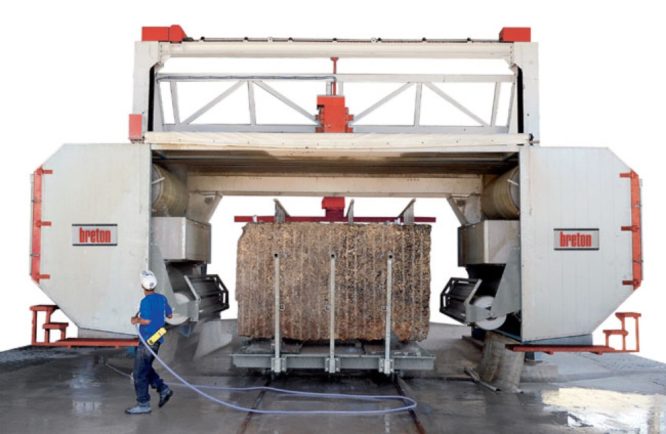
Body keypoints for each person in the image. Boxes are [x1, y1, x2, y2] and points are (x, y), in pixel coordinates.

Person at [125, 270, 174, 415]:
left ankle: (143, 404)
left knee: (139, 373)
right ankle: (163, 389)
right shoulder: (162, 298)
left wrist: (136, 320)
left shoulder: (145, 301)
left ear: (142, 285)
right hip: (157, 338)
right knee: (145, 367)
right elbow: (170, 315)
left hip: (147, 341)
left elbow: (147, 320)